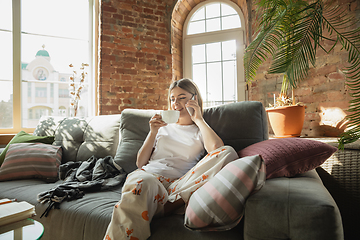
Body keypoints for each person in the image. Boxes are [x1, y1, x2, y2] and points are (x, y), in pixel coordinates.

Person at [104, 79, 238, 240]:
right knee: (143, 182)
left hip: (178, 185)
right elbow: (140, 163)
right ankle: (163, 205)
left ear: (194, 98)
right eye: (172, 98)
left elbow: (217, 150)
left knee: (228, 153)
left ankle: (165, 203)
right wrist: (152, 132)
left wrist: (199, 119)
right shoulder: (162, 127)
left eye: (182, 97)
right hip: (150, 178)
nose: (176, 103)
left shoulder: (199, 130)